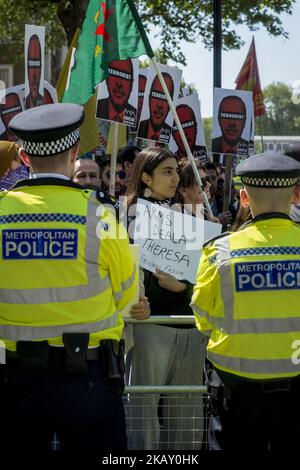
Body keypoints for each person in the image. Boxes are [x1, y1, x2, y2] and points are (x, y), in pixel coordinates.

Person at [0, 103, 137, 462]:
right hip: (88, 380)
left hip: (16, 382)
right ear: (75, 153)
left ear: (26, 156)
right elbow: (127, 296)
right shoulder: (101, 213)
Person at [191, 152, 300, 451]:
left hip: (236, 398)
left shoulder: (219, 251)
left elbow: (204, 319)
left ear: (244, 197)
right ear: (296, 194)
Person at [125, 147, 206, 450]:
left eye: (176, 171)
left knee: (187, 420)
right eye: (166, 172)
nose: (174, 178)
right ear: (146, 177)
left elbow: (200, 276)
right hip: (150, 327)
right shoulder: (126, 217)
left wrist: (182, 288)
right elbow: (127, 274)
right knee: (143, 417)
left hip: (189, 326)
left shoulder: (187, 216)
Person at [96, 59, 137, 127]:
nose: (119, 83)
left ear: (131, 84)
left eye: (125, 76)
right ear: (106, 79)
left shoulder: (137, 119)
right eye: (114, 73)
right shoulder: (96, 109)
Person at [138, 73, 173, 144]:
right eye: (156, 95)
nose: (160, 105)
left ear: (170, 105)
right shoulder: (139, 128)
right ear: (149, 99)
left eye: (165, 98)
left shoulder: (173, 135)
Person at [25, 34, 44, 109]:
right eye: (31, 64)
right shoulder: (23, 101)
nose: (34, 75)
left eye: (37, 64)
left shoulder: (44, 99)